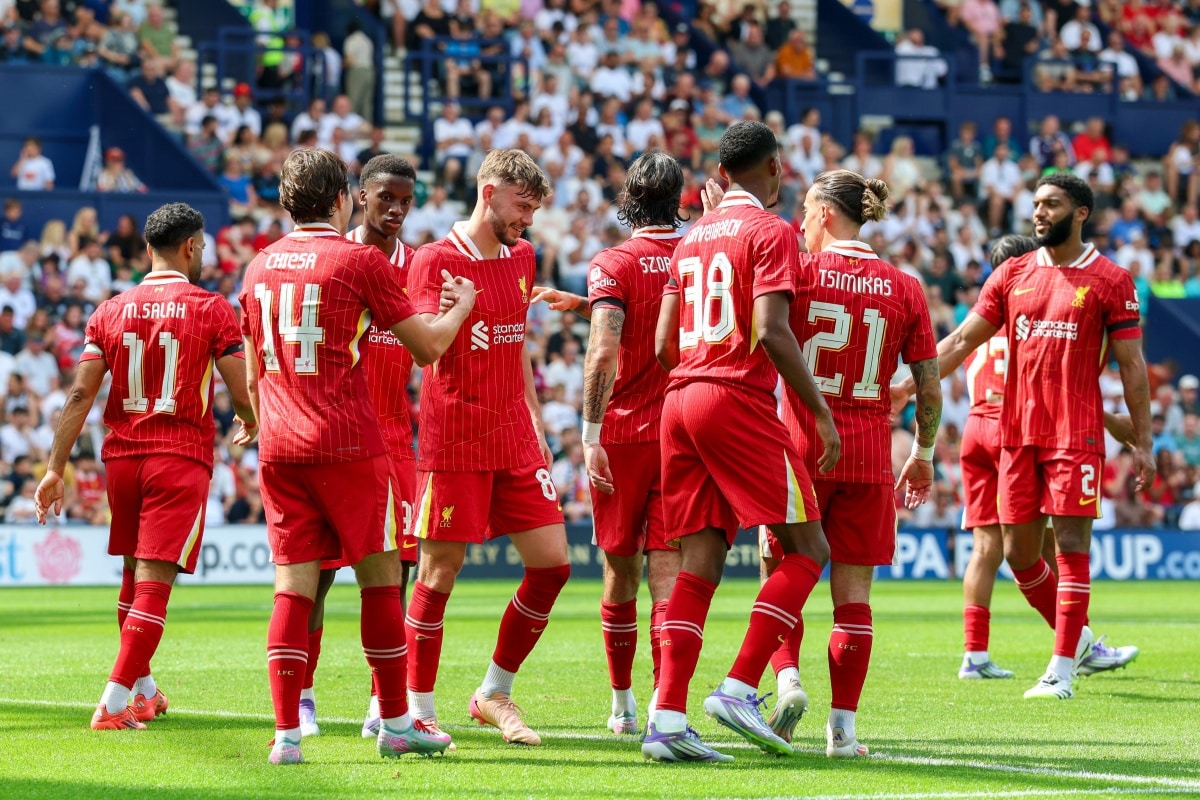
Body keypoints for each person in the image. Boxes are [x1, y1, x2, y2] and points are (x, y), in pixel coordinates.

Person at [239, 148, 475, 765]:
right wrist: (460, 308)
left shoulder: (258, 267)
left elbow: (251, 353)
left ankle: (286, 735)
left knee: (293, 589)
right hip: (346, 442)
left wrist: (254, 418)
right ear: (344, 197)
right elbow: (425, 349)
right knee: (380, 583)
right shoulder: (358, 260)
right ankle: (396, 722)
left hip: (279, 448)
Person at [891, 174, 1153, 700]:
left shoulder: (1110, 279)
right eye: (1035, 204)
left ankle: (1061, 668)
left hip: (1075, 432)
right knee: (1018, 554)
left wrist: (1141, 439)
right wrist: (908, 385)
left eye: (1051, 204)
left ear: (1080, 212)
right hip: (1016, 434)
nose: (1038, 213)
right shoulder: (1013, 274)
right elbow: (964, 338)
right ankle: (1075, 642)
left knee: (1073, 544)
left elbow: (1133, 365)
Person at [642, 121, 839, 763]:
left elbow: (662, 344)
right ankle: (738, 686)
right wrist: (821, 414)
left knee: (699, 562)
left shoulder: (692, 236)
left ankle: (667, 720)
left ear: (722, 173)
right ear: (775, 168)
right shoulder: (771, 230)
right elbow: (774, 331)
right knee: (809, 545)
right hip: (733, 396)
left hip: (679, 397)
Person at [32, 203, 257, 731]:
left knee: (134, 575)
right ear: (187, 247)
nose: (203, 255)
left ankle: (145, 691)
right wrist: (251, 418)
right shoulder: (211, 308)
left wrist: (53, 469)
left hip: (123, 460)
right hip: (178, 455)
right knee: (155, 581)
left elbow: (80, 393)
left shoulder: (108, 311)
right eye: (201, 247)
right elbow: (238, 382)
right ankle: (112, 706)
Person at [759, 169, 941, 757]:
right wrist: (923, 453)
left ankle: (785, 681)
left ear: (827, 214)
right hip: (868, 455)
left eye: (807, 212)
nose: (801, 224)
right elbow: (928, 387)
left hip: (798, 444)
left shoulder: (801, 272)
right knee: (854, 594)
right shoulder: (907, 287)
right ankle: (844, 732)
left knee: (779, 571)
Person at [404, 149, 568, 749]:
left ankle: (493, 692)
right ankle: (416, 710)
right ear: (490, 191)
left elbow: (517, 343)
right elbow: (424, 346)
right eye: (522, 207)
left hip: (515, 437)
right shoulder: (435, 260)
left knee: (553, 564)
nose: (527, 221)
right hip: (456, 438)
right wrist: (460, 308)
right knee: (440, 572)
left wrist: (534, 421)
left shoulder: (523, 256)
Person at [530, 151, 688, 736]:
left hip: (622, 434)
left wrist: (589, 434)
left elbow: (604, 350)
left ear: (629, 199)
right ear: (680, 199)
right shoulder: (698, 256)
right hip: (681, 432)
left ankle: (621, 706)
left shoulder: (614, 262)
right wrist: (584, 303)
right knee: (669, 576)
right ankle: (665, 705)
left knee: (620, 573)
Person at [297, 155, 424, 741]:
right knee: (316, 578)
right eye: (385, 198)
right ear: (358, 197)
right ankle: (302, 695)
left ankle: (383, 702)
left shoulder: (420, 266)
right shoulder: (332, 261)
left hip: (395, 445)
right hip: (334, 438)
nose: (395, 209)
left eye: (405, 199)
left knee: (395, 575)